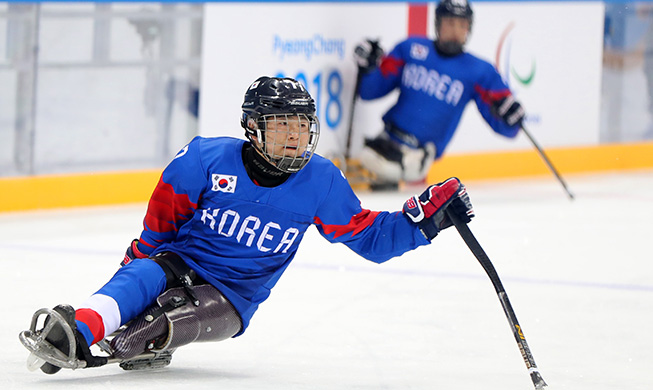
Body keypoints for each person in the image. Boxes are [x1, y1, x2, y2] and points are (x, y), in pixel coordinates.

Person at [19, 76, 474, 374]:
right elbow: (157, 233)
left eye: (301, 125)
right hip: (181, 259)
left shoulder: (322, 181)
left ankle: (152, 334)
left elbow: (370, 238)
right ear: (252, 128)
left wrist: (425, 222)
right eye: (281, 126)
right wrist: (128, 285)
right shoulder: (202, 159)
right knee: (143, 277)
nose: (294, 136)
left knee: (152, 328)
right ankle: (75, 329)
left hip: (234, 298)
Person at [353, 0, 525, 190]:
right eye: (450, 23)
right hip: (384, 139)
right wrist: (367, 68)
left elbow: (508, 129)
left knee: (373, 163)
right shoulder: (410, 49)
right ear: (437, 23)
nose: (455, 30)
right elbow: (369, 92)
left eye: (462, 25)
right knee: (370, 161)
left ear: (469, 28)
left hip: (418, 156)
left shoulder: (480, 71)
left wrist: (510, 117)